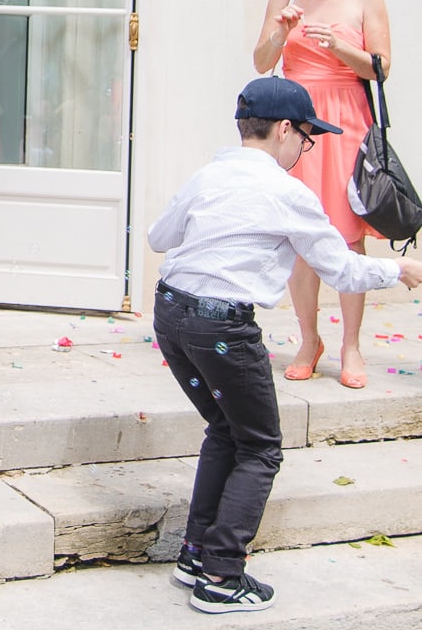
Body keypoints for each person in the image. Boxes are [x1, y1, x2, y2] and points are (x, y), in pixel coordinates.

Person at [149, 76, 422, 615]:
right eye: (307, 137)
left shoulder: (210, 175)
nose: (306, 148)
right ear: (283, 130)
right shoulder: (287, 192)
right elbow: (340, 267)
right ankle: (222, 578)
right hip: (222, 328)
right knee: (260, 447)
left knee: (226, 431)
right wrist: (400, 269)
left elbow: (160, 238)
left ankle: (195, 554)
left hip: (172, 314)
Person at [253, 0, 390, 389]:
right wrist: (280, 31)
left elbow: (379, 67)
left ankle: (352, 345)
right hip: (297, 126)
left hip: (348, 122)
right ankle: (309, 339)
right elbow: (262, 60)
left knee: (349, 237)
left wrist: (339, 48)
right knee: (299, 237)